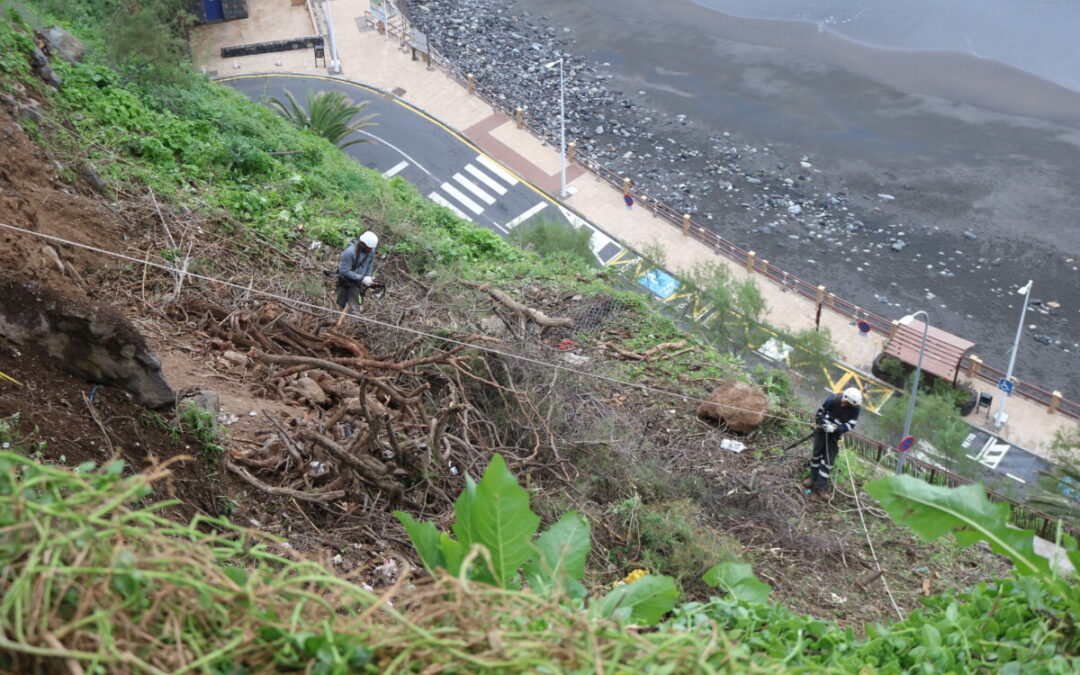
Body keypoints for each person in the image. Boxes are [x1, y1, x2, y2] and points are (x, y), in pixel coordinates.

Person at [803, 387, 862, 495]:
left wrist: (836, 429)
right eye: (847, 404)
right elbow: (819, 414)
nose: (848, 406)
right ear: (845, 399)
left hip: (835, 435)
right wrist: (824, 424)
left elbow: (850, 425)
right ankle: (813, 478)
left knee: (828, 460)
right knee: (816, 455)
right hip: (822, 431)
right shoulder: (832, 400)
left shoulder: (856, 408)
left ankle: (820, 486)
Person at [335, 230, 378, 321]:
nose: (371, 250)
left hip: (357, 284)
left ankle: (351, 325)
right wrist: (362, 278)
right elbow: (344, 271)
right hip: (345, 281)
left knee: (354, 310)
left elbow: (369, 264)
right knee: (339, 306)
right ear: (362, 244)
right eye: (369, 248)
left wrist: (368, 278)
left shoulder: (371, 251)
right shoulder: (349, 252)